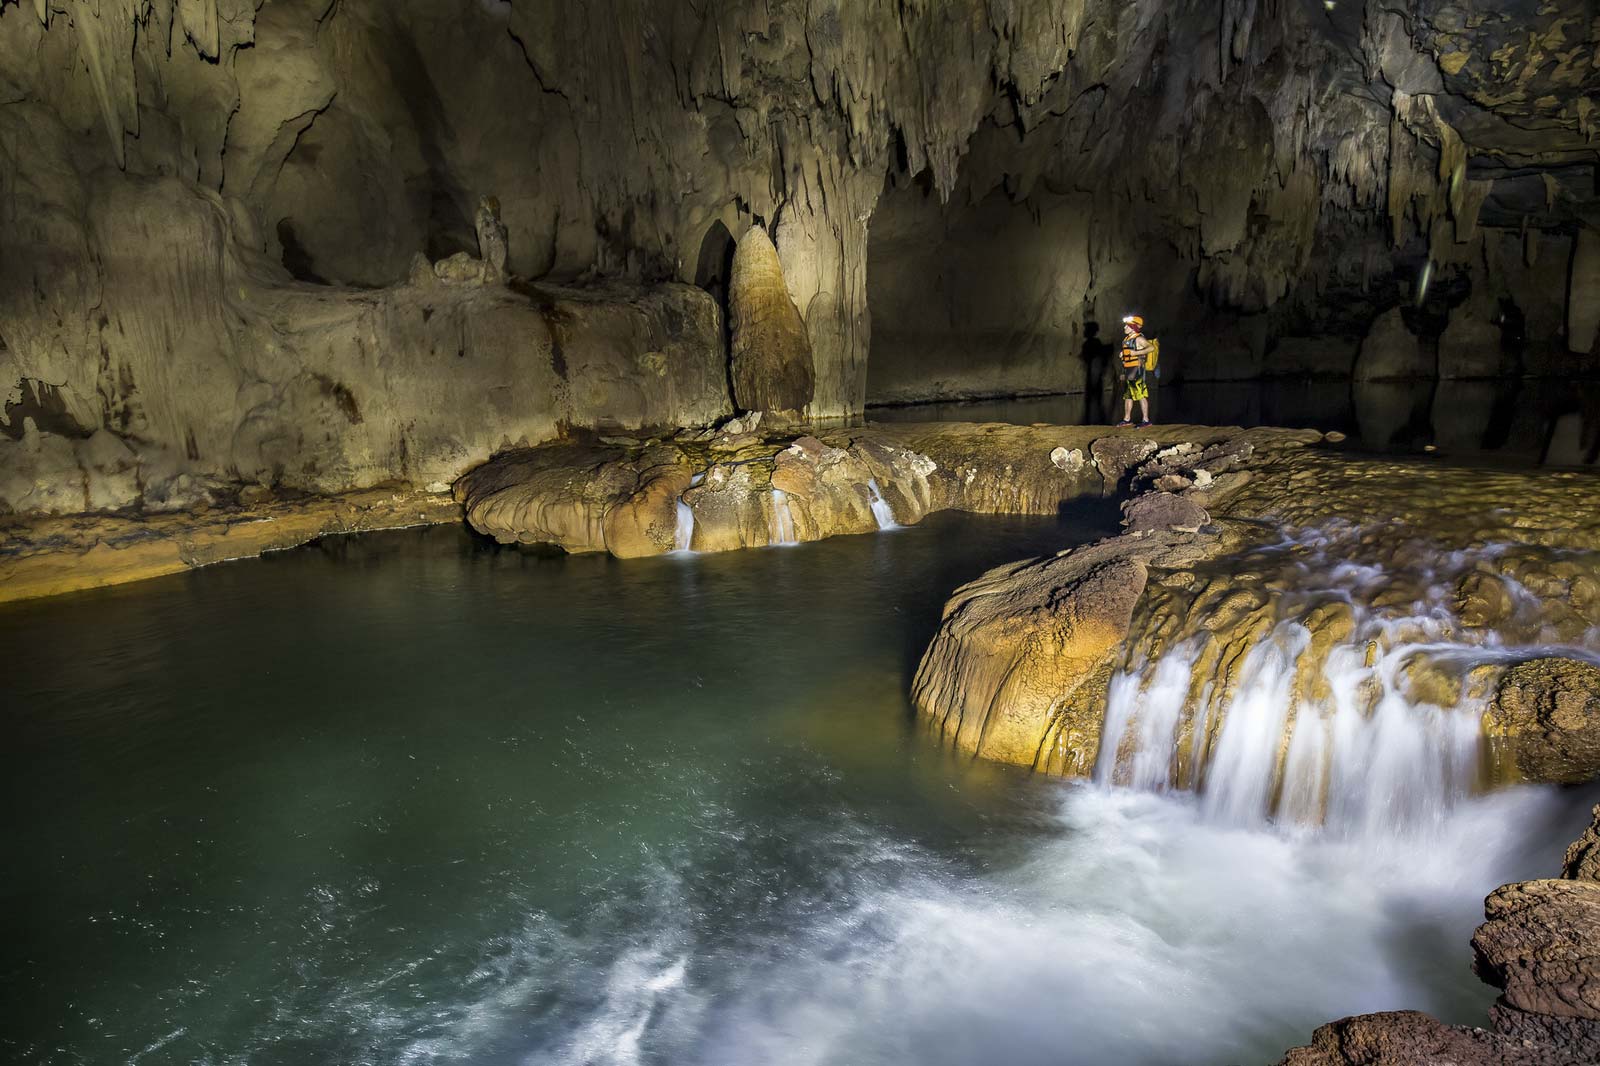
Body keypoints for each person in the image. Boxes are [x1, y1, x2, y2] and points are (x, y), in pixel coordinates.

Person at [1118, 314, 1154, 427]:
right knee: (1128, 395)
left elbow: (1151, 348)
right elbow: (1127, 352)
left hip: (1137, 370)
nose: (1124, 328)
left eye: (1127, 326)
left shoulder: (1139, 338)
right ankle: (1127, 419)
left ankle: (1146, 420)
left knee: (1141, 394)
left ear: (1133, 327)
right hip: (1128, 370)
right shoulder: (1127, 339)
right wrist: (1122, 355)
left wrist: (1136, 353)